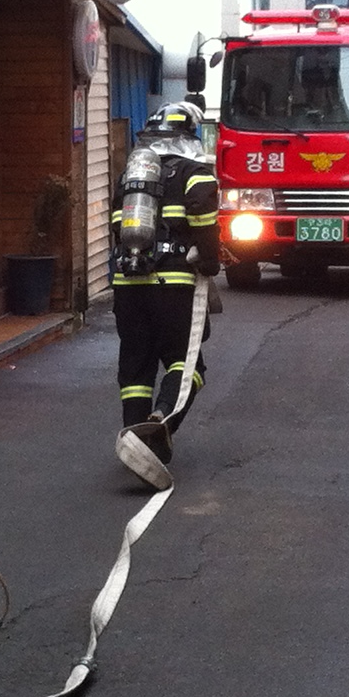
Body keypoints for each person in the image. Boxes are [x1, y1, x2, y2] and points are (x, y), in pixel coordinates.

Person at [110, 100, 220, 491]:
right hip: (174, 286)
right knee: (187, 362)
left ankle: (133, 438)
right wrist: (210, 262)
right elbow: (204, 217)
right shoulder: (195, 173)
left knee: (136, 366)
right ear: (190, 135)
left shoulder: (132, 179)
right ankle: (162, 420)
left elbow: (117, 227)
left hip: (128, 284)